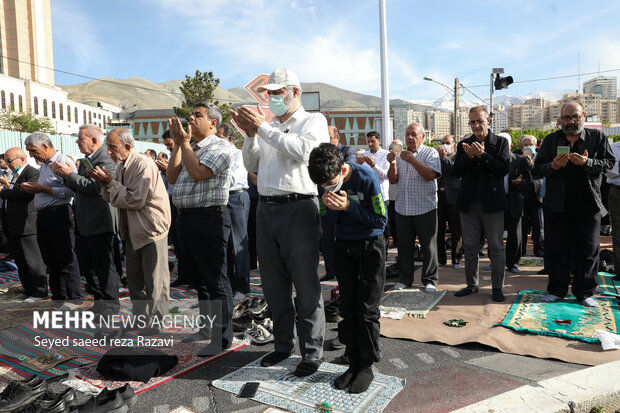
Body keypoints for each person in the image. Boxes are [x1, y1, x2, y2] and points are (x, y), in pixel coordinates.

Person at [233, 67, 329, 377]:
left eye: (278, 93)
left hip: (298, 207)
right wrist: (251, 135)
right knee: (273, 285)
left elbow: (304, 151)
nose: (272, 98)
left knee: (305, 284)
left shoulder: (313, 121)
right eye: (269, 94)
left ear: (295, 92)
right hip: (266, 208)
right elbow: (253, 163)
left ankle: (312, 351)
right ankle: (283, 346)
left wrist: (262, 129)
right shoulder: (268, 126)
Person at [308, 143, 387, 393]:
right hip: (344, 245)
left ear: (343, 169)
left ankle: (366, 365)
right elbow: (326, 219)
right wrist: (330, 208)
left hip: (370, 245)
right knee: (348, 307)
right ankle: (353, 362)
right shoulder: (324, 183)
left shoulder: (366, 178)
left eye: (331, 183)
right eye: (322, 186)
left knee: (366, 309)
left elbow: (381, 220)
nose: (327, 188)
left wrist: (349, 207)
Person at [167, 102, 234, 356]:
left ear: (213, 123)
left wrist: (184, 144)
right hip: (186, 218)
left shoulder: (220, 147)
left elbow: (197, 173)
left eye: (198, 116)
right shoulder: (190, 147)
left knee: (216, 280)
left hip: (209, 218)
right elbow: (172, 177)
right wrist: (177, 145)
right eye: (191, 115)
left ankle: (221, 338)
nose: (191, 119)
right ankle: (207, 329)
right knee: (200, 281)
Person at [534, 101, 615, 307]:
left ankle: (585, 291)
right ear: (560, 119)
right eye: (566, 117)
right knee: (557, 249)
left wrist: (587, 163)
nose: (570, 121)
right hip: (556, 204)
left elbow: (609, 163)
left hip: (588, 204)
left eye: (575, 117)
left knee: (588, 250)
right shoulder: (552, 140)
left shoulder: (597, 138)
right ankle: (557, 290)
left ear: (584, 116)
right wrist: (553, 165)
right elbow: (537, 168)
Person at [91, 128, 171, 334]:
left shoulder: (143, 164)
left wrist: (109, 183)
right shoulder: (122, 166)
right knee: (136, 280)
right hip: (131, 230)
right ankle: (141, 318)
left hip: (150, 229)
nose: (109, 152)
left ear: (127, 147)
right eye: (107, 147)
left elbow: (135, 199)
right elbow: (112, 196)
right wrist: (106, 183)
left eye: (112, 147)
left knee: (155, 280)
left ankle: (157, 322)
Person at [50, 124, 120, 316]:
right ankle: (99, 302)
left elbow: (95, 188)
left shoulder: (105, 159)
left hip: (100, 221)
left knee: (104, 267)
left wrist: (69, 175)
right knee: (90, 267)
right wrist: (66, 177)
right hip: (85, 221)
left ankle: (109, 307)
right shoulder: (88, 160)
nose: (77, 142)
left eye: (80, 139)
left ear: (94, 141)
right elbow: (81, 188)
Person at [452, 106, 510, 302]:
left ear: (489, 121)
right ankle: (472, 284)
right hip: (469, 203)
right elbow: (457, 172)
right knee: (469, 246)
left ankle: (497, 287)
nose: (476, 125)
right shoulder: (464, 144)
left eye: (480, 121)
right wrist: (469, 156)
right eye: (472, 122)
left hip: (492, 204)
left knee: (495, 246)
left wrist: (483, 156)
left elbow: (502, 169)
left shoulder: (500, 142)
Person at [22, 132, 82, 310]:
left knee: (66, 257)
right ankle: (58, 296)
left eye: (33, 151)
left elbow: (71, 191)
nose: (32, 156)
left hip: (59, 215)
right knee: (51, 259)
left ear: (45, 146)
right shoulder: (45, 165)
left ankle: (74, 297)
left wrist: (43, 189)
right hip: (44, 216)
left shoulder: (63, 161)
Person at [387, 123, 441, 292]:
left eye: (414, 134)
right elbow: (392, 180)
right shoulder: (400, 155)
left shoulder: (430, 153)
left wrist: (413, 160)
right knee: (404, 246)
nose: (410, 137)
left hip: (425, 208)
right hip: (403, 208)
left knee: (428, 246)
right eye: (407, 134)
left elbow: (430, 175)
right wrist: (393, 164)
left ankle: (430, 279)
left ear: (422, 137)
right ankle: (405, 278)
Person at [0, 148, 47, 302]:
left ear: (22, 158)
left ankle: (39, 291)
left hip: (27, 223)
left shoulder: (32, 172)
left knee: (32, 260)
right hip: (13, 223)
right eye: (6, 161)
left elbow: (25, 195)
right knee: (20, 260)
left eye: (9, 161)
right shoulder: (14, 175)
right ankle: (28, 289)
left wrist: (3, 191)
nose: (7, 164)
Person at [217, 122, 251, 303]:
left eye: (220, 138)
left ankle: (243, 287)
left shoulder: (238, 155)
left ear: (230, 139)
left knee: (238, 244)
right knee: (225, 245)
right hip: (221, 201)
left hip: (236, 198)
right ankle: (229, 284)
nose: (217, 141)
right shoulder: (217, 155)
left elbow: (231, 180)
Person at [320, 126, 358, 282]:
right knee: (326, 236)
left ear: (337, 137)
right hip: (324, 199)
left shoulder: (348, 150)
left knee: (347, 236)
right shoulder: (320, 153)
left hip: (344, 199)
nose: (326, 140)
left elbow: (346, 172)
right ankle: (330, 271)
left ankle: (350, 271)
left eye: (329, 137)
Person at [497, 133, 529, 274]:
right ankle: (496, 261)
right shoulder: (491, 160)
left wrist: (520, 182)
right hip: (496, 202)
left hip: (514, 201)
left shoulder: (520, 160)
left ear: (510, 146)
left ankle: (512, 263)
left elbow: (528, 180)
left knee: (515, 235)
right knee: (495, 234)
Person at [358, 131, 390, 248]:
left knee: (383, 227)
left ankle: (384, 254)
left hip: (381, 196)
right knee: (368, 226)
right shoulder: (364, 155)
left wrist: (374, 165)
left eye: (373, 141)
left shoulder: (386, 155)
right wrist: (358, 164)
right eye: (368, 142)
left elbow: (386, 176)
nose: (370, 144)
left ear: (379, 141)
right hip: (366, 198)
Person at [436, 135, 463, 269]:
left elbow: (456, 171)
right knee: (439, 229)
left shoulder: (458, 157)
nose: (445, 145)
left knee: (456, 229)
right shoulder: (436, 157)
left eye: (448, 143)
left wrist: (445, 157)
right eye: (443, 142)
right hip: (438, 196)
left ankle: (456, 259)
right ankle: (441, 258)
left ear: (454, 145)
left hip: (454, 196)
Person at [517, 135, 544, 257]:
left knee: (538, 225)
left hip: (537, 195)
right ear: (521, 146)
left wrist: (532, 165)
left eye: (531, 144)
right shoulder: (516, 156)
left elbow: (543, 171)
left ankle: (538, 249)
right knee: (521, 225)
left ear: (536, 145)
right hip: (521, 195)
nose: (529, 146)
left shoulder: (541, 156)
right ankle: (521, 250)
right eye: (526, 144)